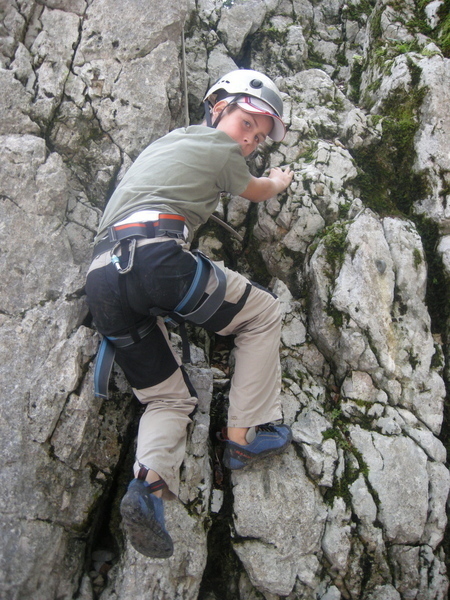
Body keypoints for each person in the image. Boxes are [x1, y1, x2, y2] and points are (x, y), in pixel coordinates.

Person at [85, 69, 294, 559]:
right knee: (263, 313)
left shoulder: (162, 147)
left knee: (167, 398)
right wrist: (279, 180)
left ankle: (147, 489)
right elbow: (256, 190)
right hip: (157, 259)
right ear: (217, 108)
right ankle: (243, 437)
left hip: (102, 279)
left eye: (259, 137)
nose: (249, 140)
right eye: (247, 123)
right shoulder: (219, 147)